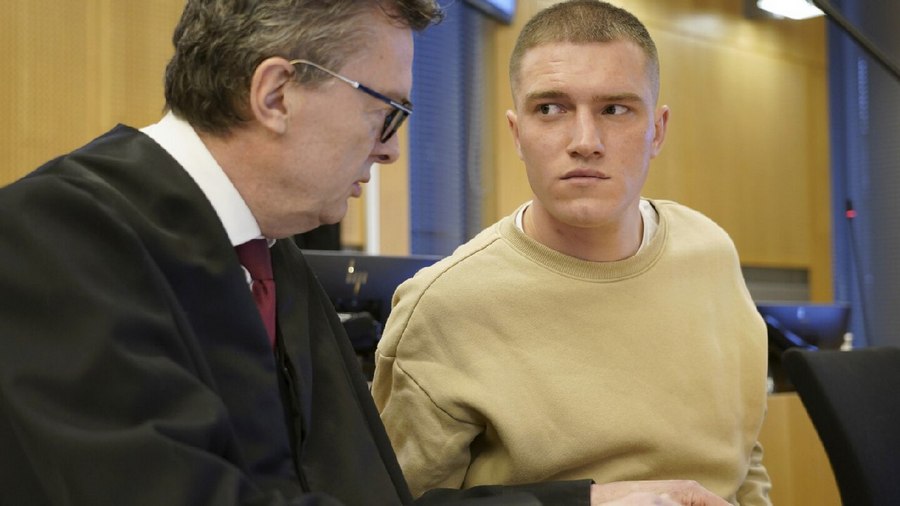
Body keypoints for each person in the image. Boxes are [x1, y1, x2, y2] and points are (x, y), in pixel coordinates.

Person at [0, 1, 688, 505]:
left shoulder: (274, 260)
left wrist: (587, 502)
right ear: (276, 94)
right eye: (386, 112)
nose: (392, 150)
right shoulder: (52, 236)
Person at [372, 1, 772, 505]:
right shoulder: (443, 308)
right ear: (518, 134)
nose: (585, 142)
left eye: (615, 109)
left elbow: (743, 460)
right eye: (551, 109)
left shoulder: (709, 250)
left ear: (657, 131)